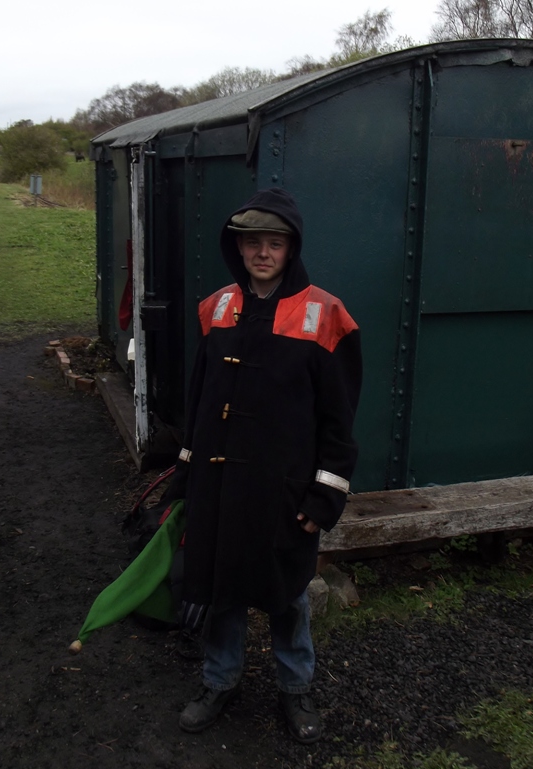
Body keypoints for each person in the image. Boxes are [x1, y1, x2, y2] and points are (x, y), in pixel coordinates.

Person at [172, 187, 362, 743]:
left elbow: (340, 421)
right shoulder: (217, 308)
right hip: (219, 487)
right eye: (252, 243)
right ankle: (219, 680)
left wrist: (325, 497)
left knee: (289, 595)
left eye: (273, 243)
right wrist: (187, 479)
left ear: (291, 247)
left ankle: (296, 689)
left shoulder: (327, 315)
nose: (262, 253)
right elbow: (200, 402)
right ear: (239, 249)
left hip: (284, 493)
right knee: (220, 589)